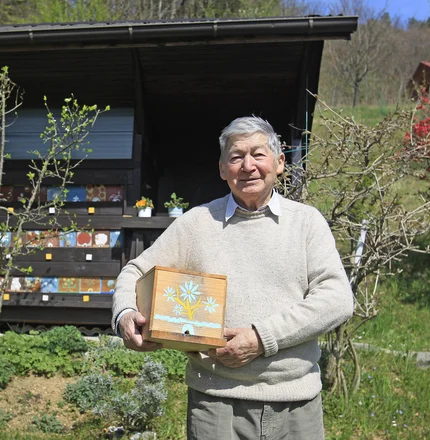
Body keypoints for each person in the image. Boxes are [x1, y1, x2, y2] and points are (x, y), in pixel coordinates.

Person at [111, 116, 353, 440]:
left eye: (258, 154)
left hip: (297, 403)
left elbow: (338, 299)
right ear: (223, 169)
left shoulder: (306, 223)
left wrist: (261, 338)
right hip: (215, 404)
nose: (248, 166)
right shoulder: (197, 223)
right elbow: (135, 271)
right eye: (236, 157)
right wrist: (125, 313)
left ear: (280, 163)